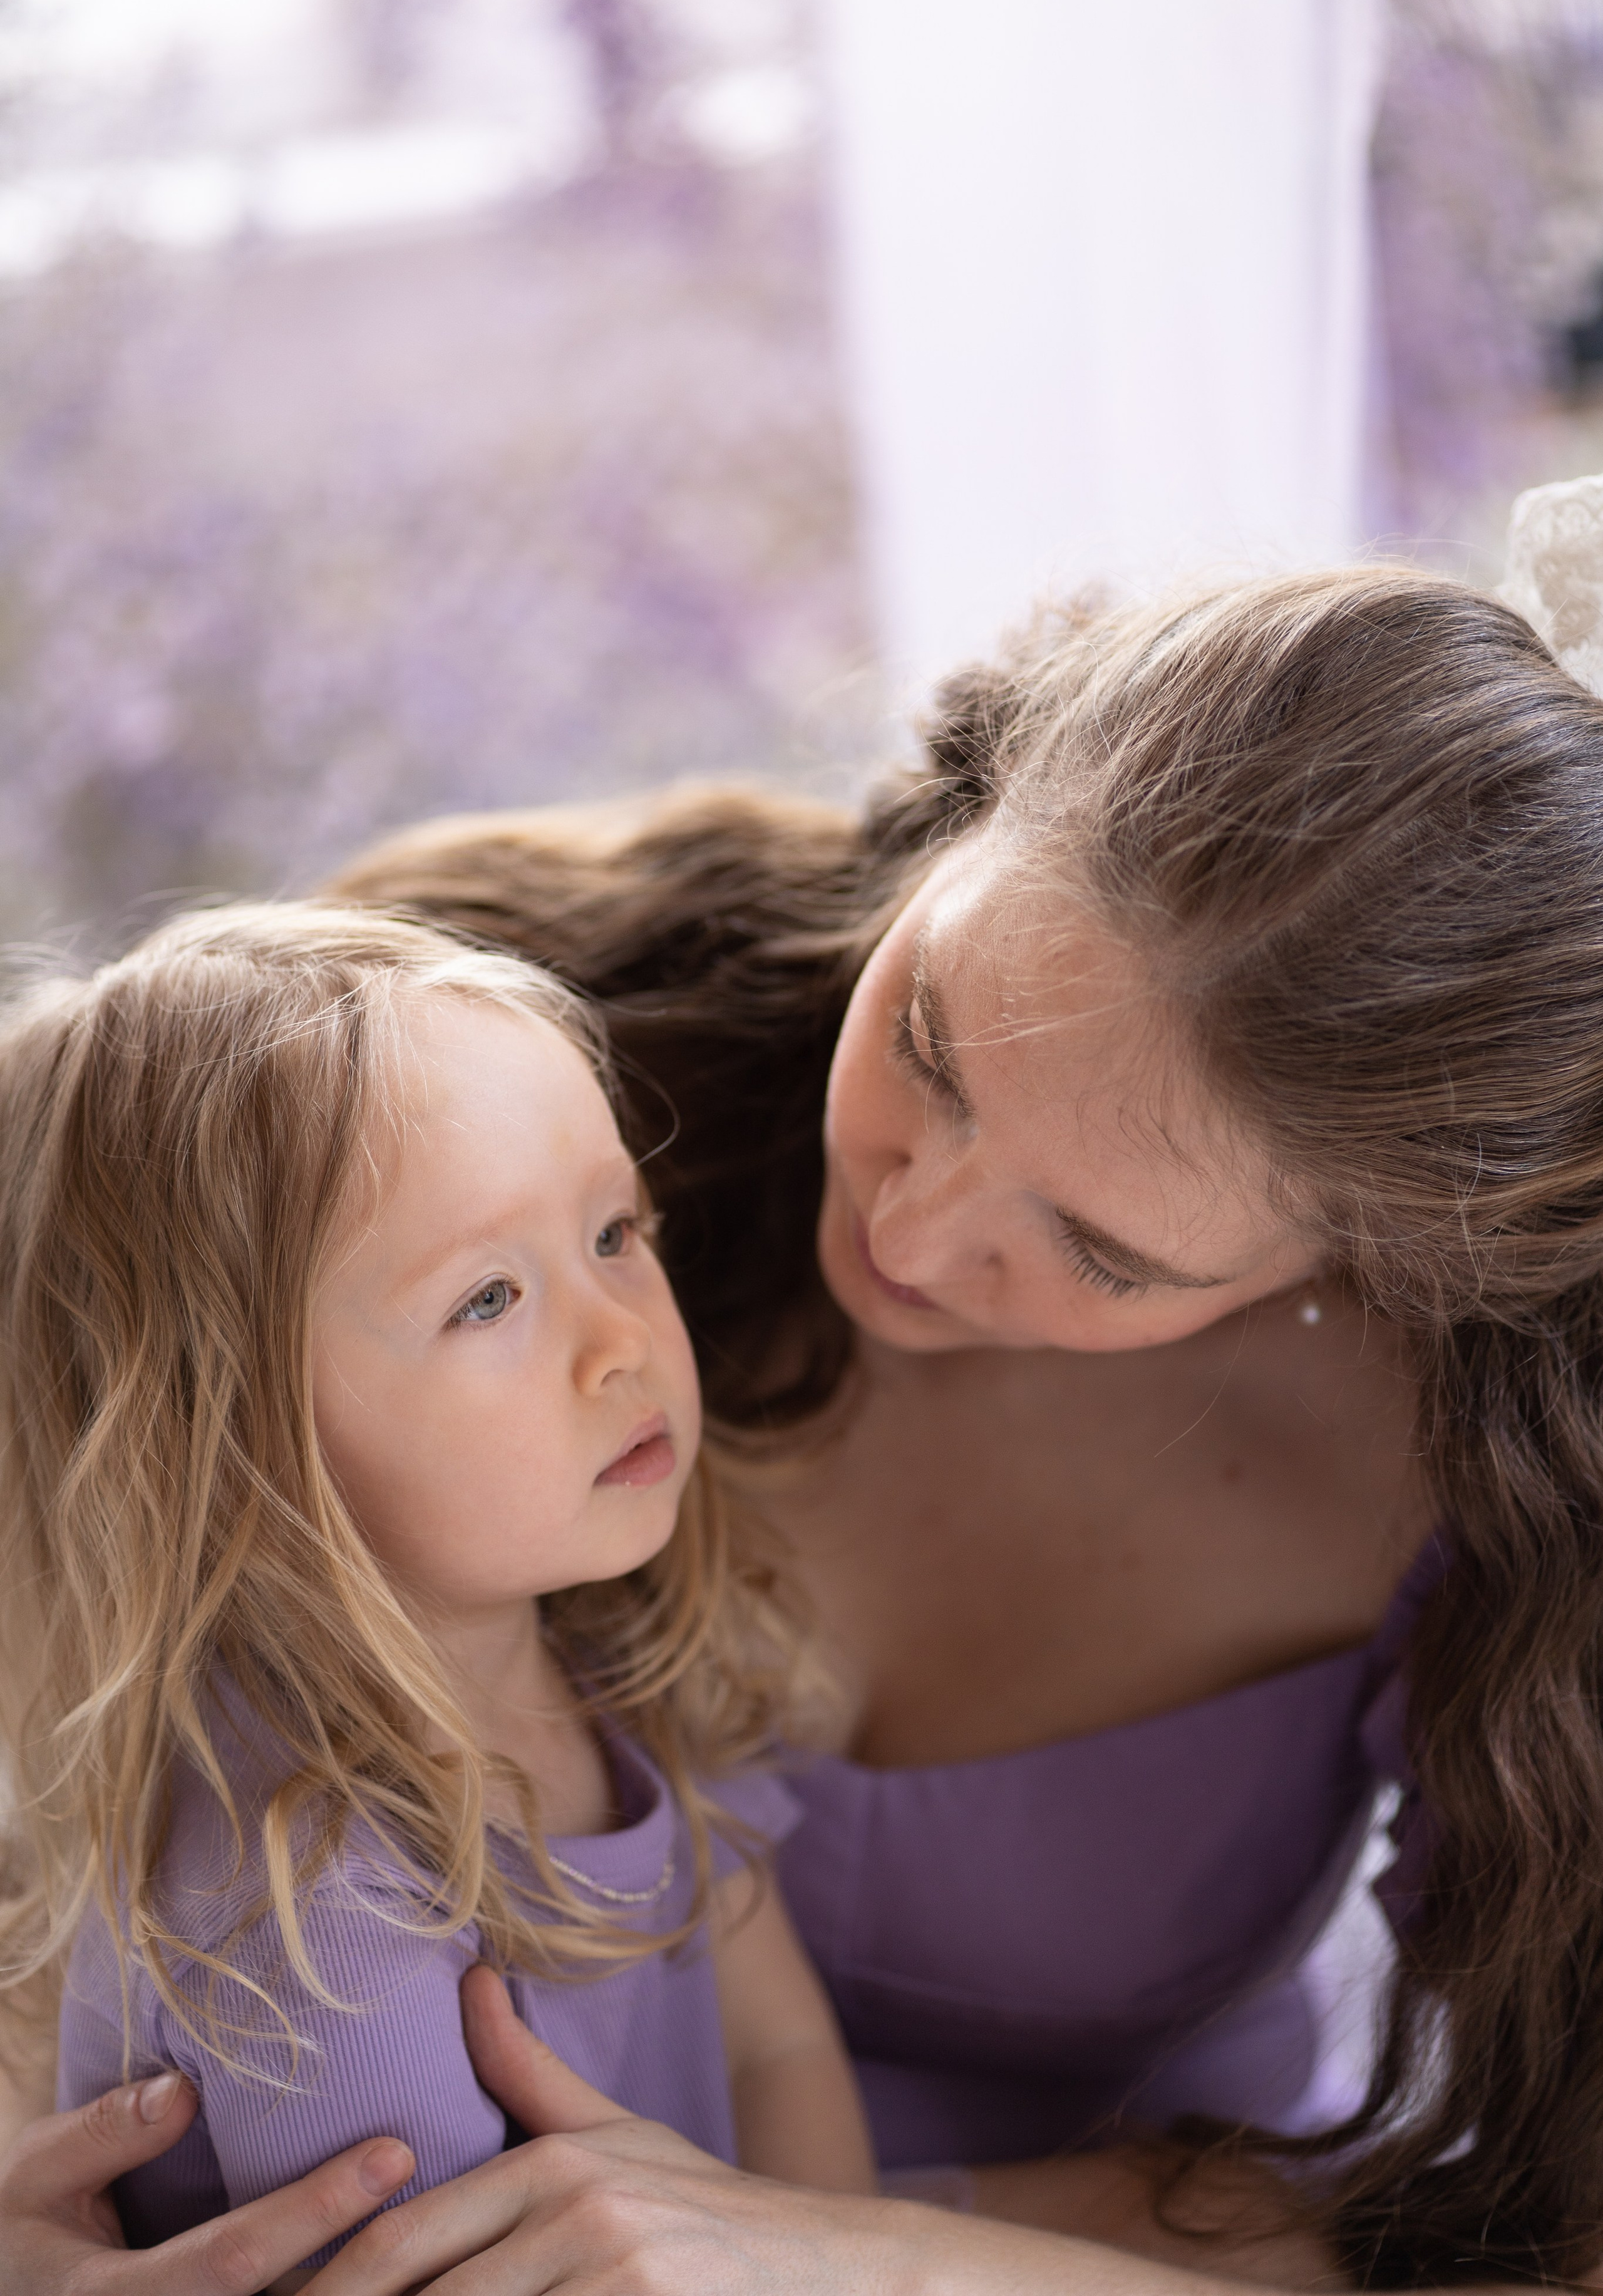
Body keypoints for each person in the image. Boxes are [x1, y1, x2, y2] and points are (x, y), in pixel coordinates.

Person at [11, 542, 1603, 2292]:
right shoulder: (469, 1039)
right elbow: (79, 1556)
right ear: (972, 813)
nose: (909, 1236)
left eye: (1098, 1248)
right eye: (926, 1045)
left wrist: (873, 2260)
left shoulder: (1501, 1504)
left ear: (1376, 1258)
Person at [0, 905, 874, 2280]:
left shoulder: (611, 1655)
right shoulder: (309, 1905)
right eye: (486, 1299)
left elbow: (775, 2044)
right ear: (234, 1449)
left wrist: (830, 2258)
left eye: (612, 1234)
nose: (620, 1342)